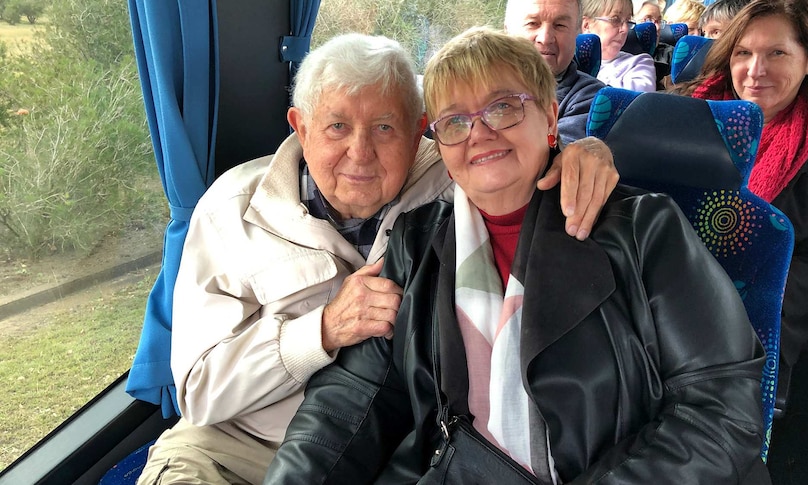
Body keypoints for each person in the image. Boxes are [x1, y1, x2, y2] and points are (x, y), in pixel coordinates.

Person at [265, 26, 768, 484]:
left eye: (504, 106)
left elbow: (719, 412)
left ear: (551, 117)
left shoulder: (644, 230)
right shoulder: (415, 245)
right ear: (437, 142)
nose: (479, 132)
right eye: (455, 121)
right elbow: (351, 401)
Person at [135, 32, 618, 485]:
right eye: (337, 126)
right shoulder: (230, 211)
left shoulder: (450, 174)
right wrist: (321, 330)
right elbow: (199, 393)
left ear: (417, 135)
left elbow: (514, 144)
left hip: (386, 448)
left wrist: (582, 153)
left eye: (384, 127)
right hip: (235, 445)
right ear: (300, 128)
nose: (360, 153)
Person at [674, 0, 808, 413]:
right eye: (743, 52)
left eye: (776, 53)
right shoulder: (686, 117)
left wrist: (735, 301)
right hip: (659, 298)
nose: (755, 70)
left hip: (755, 323)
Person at [504, 0, 606, 146]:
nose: (545, 38)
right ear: (507, 31)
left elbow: (558, 160)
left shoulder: (594, 99)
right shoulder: (475, 85)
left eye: (560, 26)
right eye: (533, 23)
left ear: (577, 33)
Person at [581, 0, 657, 91]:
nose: (625, 29)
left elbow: (636, 100)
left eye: (628, 21)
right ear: (586, 25)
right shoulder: (567, 63)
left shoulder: (638, 64)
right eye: (615, 19)